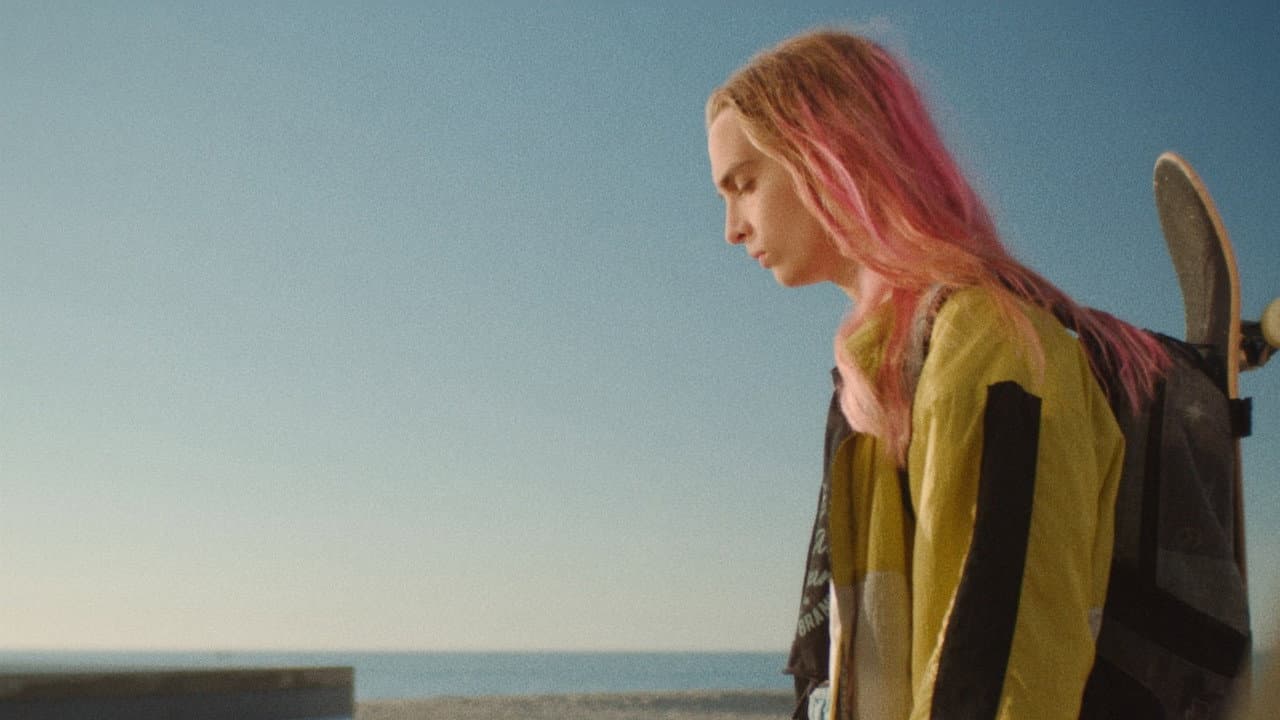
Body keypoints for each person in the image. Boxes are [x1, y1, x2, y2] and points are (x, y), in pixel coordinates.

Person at [706, 30, 1171, 719]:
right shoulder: (882, 370)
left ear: (830, 153)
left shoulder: (986, 345)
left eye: (744, 184)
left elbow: (1005, 670)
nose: (731, 228)